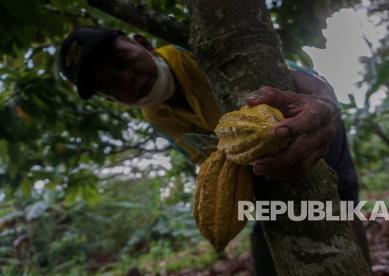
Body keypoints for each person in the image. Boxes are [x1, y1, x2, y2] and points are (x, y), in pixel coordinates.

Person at [59, 26, 370, 274]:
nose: (125, 78)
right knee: (273, 226)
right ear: (111, 100)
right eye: (110, 84)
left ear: (142, 43)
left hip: (309, 125)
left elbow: (302, 78)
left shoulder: (193, 51)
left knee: (338, 206)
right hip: (252, 162)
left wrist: (324, 104)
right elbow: (211, 161)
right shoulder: (155, 116)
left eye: (123, 61)